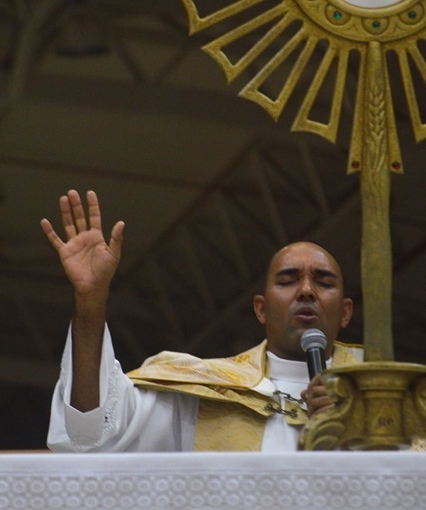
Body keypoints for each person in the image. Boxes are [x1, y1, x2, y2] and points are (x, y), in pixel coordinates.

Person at [41, 190, 362, 453]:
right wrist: (91, 301)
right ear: (260, 310)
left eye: (323, 282)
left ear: (346, 312)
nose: (306, 290)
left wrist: (355, 431)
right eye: (288, 280)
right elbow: (91, 431)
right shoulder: (206, 390)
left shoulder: (378, 392)